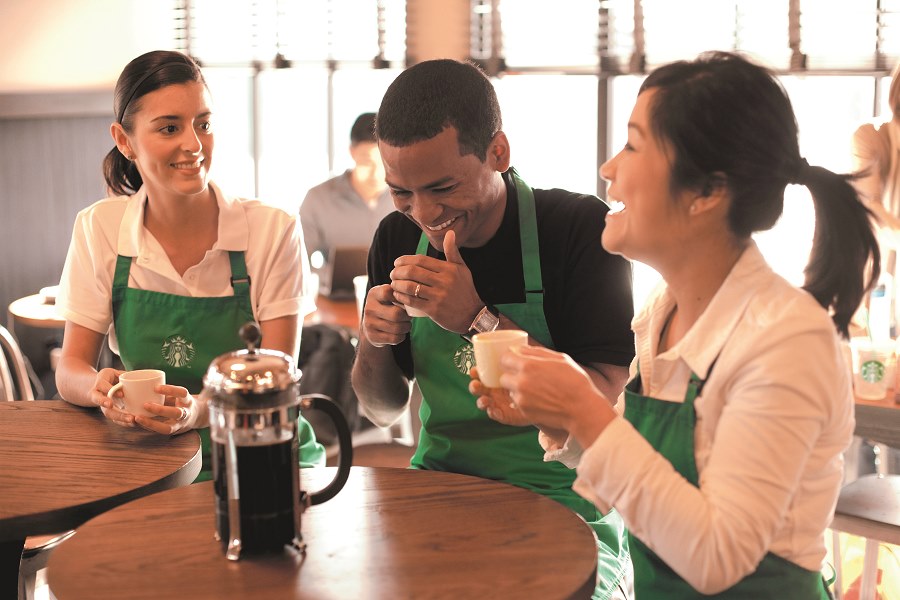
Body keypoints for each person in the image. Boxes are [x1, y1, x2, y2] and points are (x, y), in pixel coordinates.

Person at [473, 51, 880, 598]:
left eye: (634, 144)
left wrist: (584, 409)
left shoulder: (788, 339)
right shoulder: (662, 312)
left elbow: (717, 557)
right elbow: (647, 493)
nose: (608, 169)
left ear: (707, 191)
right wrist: (559, 419)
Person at [351, 58, 637, 599]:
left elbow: (603, 403)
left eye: (442, 188)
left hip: (566, 498)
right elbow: (380, 408)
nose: (425, 214)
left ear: (498, 153)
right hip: (437, 493)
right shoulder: (395, 238)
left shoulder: (577, 231)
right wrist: (374, 339)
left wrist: (476, 319)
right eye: (401, 193)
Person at [55, 50, 324, 482]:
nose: (194, 144)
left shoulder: (272, 229)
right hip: (152, 459)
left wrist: (196, 410)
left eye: (204, 124)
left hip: (261, 447)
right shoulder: (99, 228)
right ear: (125, 141)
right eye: (169, 128)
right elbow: (70, 367)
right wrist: (97, 388)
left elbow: (276, 376)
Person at [300, 112, 395, 293]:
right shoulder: (319, 199)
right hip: (338, 301)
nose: (376, 173)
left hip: (398, 300)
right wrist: (325, 280)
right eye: (367, 162)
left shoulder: (407, 196)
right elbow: (298, 262)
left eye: (383, 162)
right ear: (352, 152)